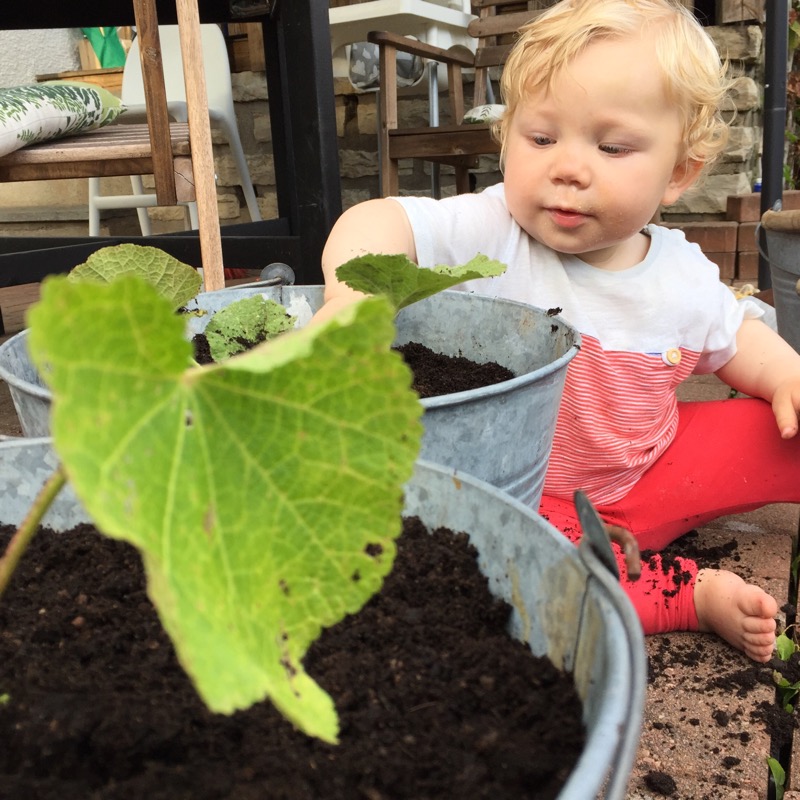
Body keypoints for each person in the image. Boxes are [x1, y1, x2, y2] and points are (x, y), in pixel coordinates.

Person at [314, 0, 800, 663]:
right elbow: (378, 219)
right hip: (533, 496)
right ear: (507, 138)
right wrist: (353, 297)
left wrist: (787, 374)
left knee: (782, 428)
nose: (568, 168)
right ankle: (686, 594)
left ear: (679, 172)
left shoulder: (682, 273)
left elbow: (736, 335)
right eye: (541, 139)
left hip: (656, 470)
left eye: (611, 147)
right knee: (508, 564)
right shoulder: (492, 231)